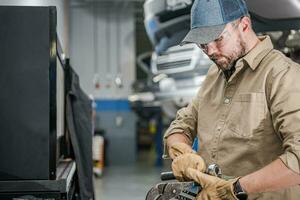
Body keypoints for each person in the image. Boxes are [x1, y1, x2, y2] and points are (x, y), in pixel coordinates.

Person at [163, 0, 300, 199]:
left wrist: (233, 189)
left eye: (217, 39)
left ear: (244, 25)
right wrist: (182, 152)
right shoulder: (214, 76)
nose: (210, 51)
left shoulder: (282, 76)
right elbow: (181, 125)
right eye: (203, 44)